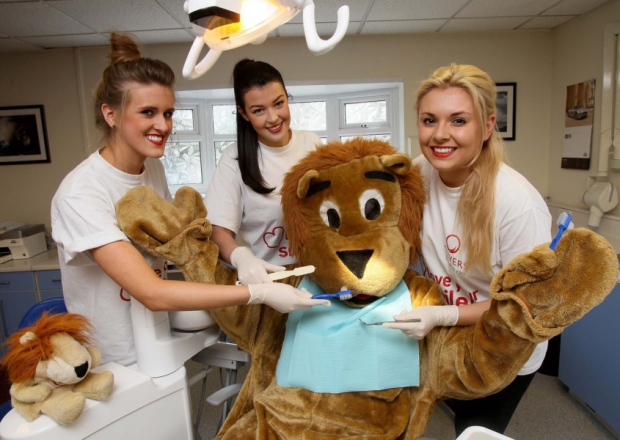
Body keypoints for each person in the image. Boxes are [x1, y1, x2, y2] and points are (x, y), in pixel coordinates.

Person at [50, 34, 328, 366]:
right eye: (148, 112)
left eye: (167, 113)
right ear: (110, 114)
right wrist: (258, 291)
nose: (162, 125)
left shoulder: (151, 168)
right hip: (113, 357)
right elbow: (152, 293)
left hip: (157, 340)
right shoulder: (81, 193)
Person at [384, 63, 551, 435]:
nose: (440, 135)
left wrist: (442, 317)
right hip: (450, 331)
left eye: (458, 121)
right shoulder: (416, 176)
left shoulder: (515, 202)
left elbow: (523, 306)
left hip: (506, 346)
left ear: (488, 126)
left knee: (474, 429)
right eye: (429, 120)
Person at [205, 59, 321, 285]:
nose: (273, 118)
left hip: (317, 273)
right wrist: (242, 258)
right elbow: (217, 230)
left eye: (278, 103)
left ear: (287, 97)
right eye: (259, 110)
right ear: (244, 114)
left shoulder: (312, 144)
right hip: (268, 280)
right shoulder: (234, 158)